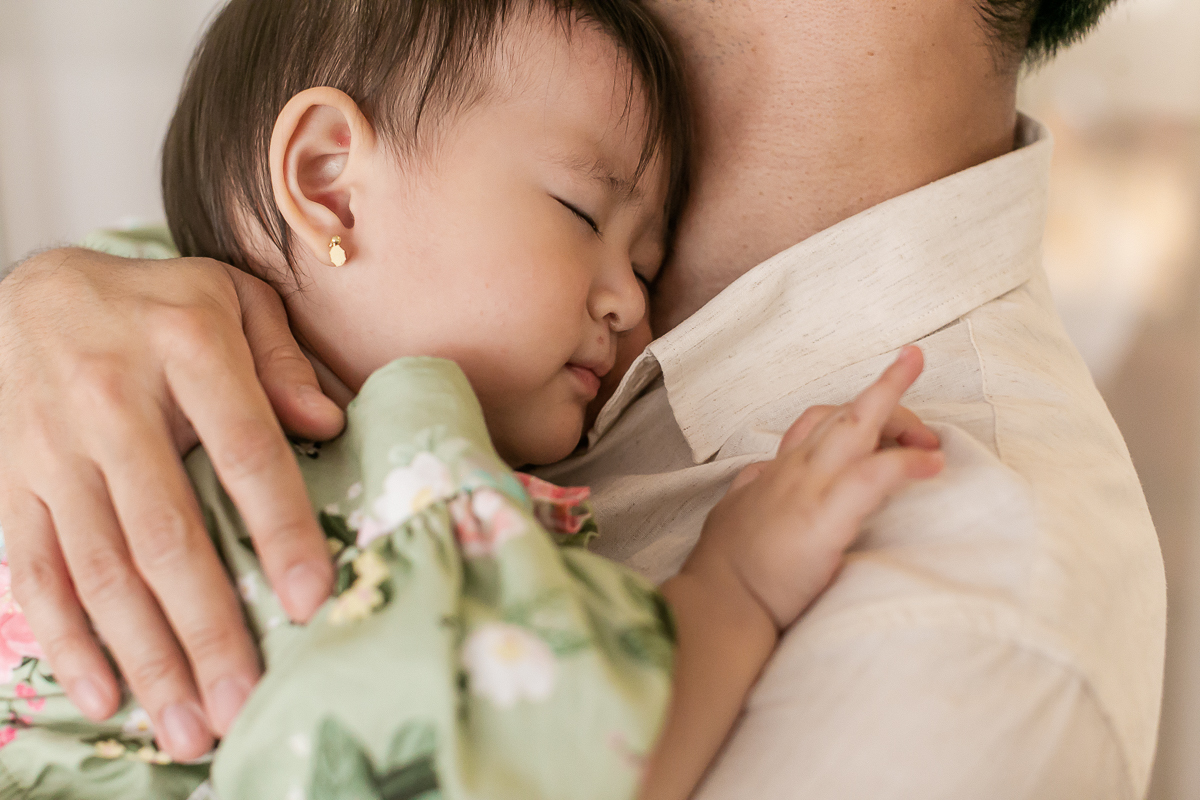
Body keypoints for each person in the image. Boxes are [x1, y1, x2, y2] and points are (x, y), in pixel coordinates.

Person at [0, 0, 1166, 798]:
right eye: (581, 215)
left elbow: (539, 751)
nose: (622, 304)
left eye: (633, 250)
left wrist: (738, 582)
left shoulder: (971, 619)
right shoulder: (400, 241)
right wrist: (44, 305)